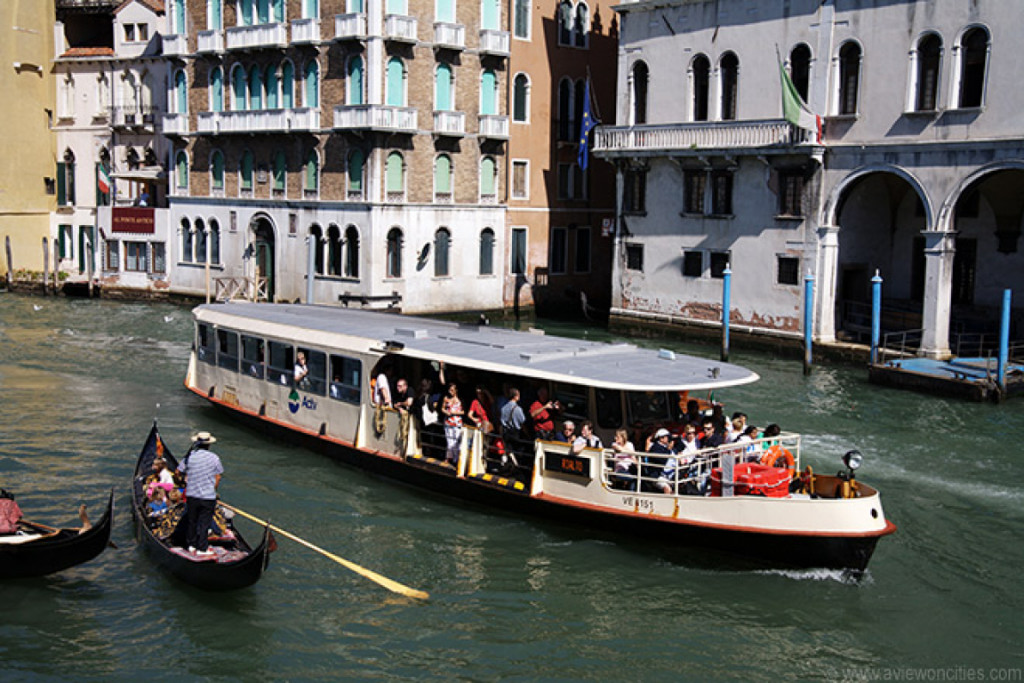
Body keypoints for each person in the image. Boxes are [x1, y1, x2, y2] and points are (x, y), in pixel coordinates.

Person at [177, 431, 224, 558]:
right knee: (204, 522)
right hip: (208, 497)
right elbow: (218, 476)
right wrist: (212, 490)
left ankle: (191, 545)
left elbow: (178, 471)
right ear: (209, 445)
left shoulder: (190, 456)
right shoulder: (215, 458)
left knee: (192, 520)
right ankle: (202, 548)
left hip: (192, 495)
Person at [440, 383, 464, 465]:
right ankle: (449, 457)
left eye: (452, 390)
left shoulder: (460, 400)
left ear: (456, 391)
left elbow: (464, 411)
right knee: (449, 440)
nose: (450, 392)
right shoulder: (446, 398)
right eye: (449, 390)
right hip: (448, 421)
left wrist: (455, 412)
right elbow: (442, 408)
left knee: (456, 441)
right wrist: (446, 412)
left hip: (457, 422)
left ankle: (456, 459)